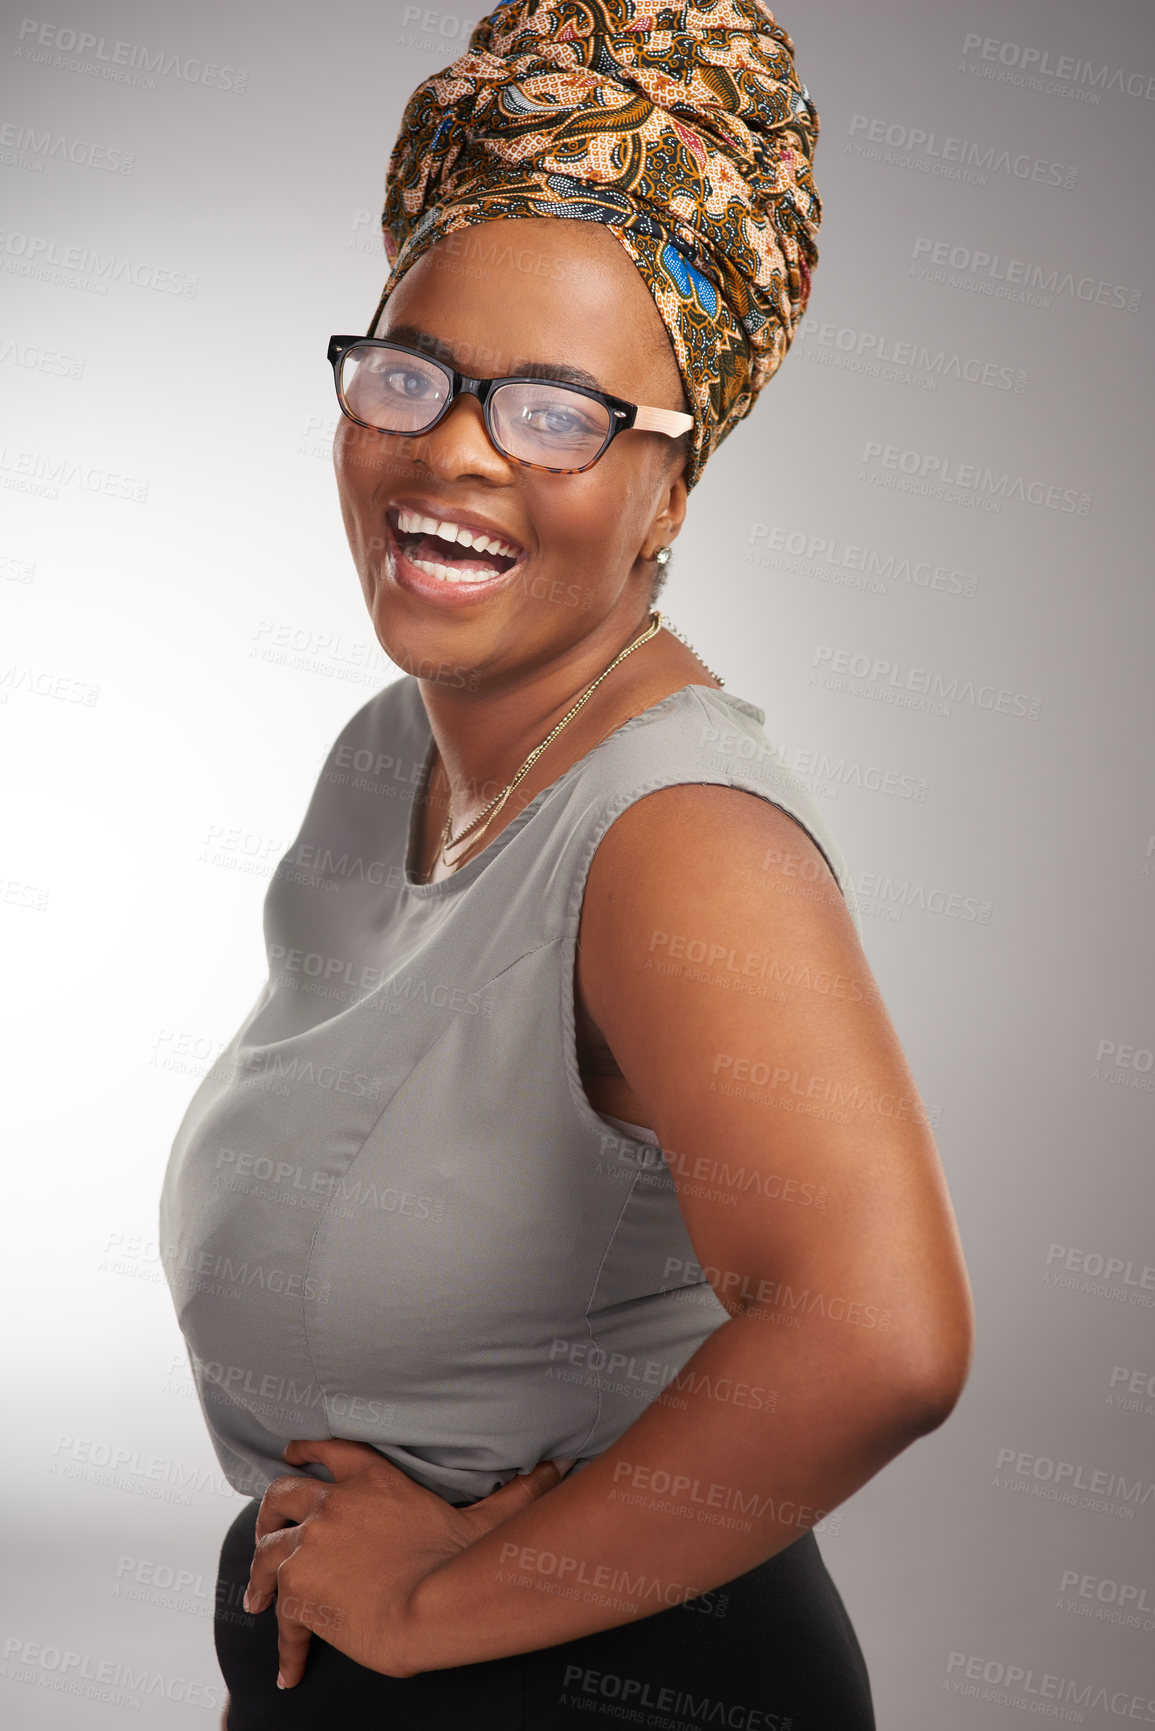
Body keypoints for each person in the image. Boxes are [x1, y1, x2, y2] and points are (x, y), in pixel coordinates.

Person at [159, 3, 974, 1726]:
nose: (455, 447)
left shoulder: (676, 837)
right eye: (414, 374)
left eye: (557, 411)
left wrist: (436, 1609)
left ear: (674, 488)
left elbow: (880, 1334)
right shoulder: (404, 743)